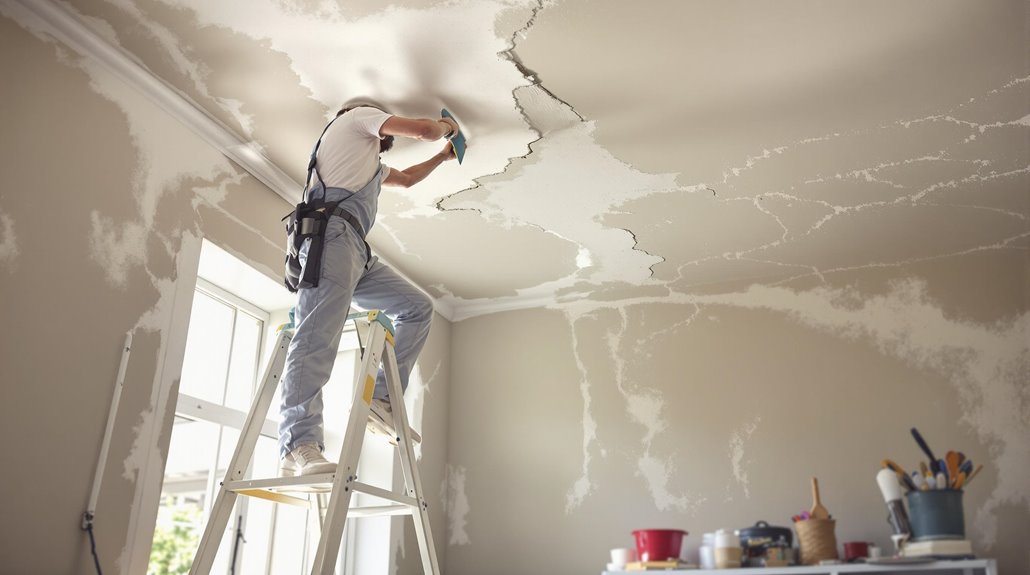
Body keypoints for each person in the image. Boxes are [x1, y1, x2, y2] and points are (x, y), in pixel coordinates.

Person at [279, 99, 460, 476]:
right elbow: (425, 131)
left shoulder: (370, 167)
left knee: (417, 307)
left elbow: (407, 179)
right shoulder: (354, 118)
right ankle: (298, 444)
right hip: (330, 237)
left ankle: (380, 400)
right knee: (315, 340)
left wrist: (443, 158)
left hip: (355, 249)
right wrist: (448, 129)